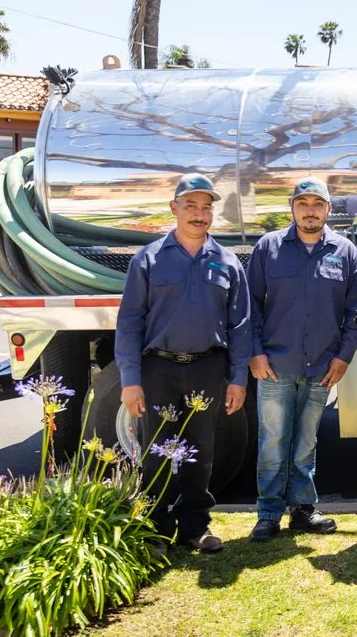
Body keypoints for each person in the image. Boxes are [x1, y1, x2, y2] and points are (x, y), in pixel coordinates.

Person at [115, 173, 250, 554]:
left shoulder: (227, 262)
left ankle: (195, 527)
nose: (199, 214)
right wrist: (130, 379)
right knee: (157, 450)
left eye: (206, 208)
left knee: (200, 452)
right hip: (158, 369)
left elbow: (240, 325)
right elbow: (130, 321)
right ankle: (157, 530)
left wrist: (238, 378)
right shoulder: (148, 259)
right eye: (190, 206)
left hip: (207, 368)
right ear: (174, 208)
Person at [246, 176, 357, 541]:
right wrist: (255, 353)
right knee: (272, 442)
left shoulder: (345, 251)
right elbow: (250, 305)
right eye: (303, 204)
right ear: (292, 209)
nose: (310, 211)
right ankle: (268, 513)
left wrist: (344, 357)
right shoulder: (268, 248)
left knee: (306, 443)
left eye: (317, 204)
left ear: (328, 209)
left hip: (322, 367)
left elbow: (356, 312)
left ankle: (302, 509)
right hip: (275, 366)